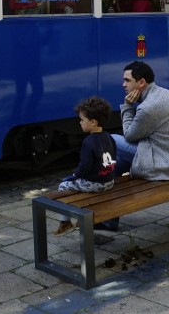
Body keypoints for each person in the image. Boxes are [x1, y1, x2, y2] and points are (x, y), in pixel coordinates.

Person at [104, 61, 169, 231]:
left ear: (141, 82)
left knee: (111, 139)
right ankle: (108, 219)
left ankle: (106, 215)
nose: (123, 85)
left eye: (127, 80)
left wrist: (127, 107)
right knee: (117, 162)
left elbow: (129, 135)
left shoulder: (149, 107)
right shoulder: (165, 94)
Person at [53, 96, 118, 235]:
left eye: (82, 120)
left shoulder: (88, 142)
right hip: (109, 181)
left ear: (93, 122)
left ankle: (65, 223)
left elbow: (85, 167)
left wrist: (74, 175)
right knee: (76, 183)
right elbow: (114, 157)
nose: (80, 123)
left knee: (63, 186)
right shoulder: (109, 137)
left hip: (96, 184)